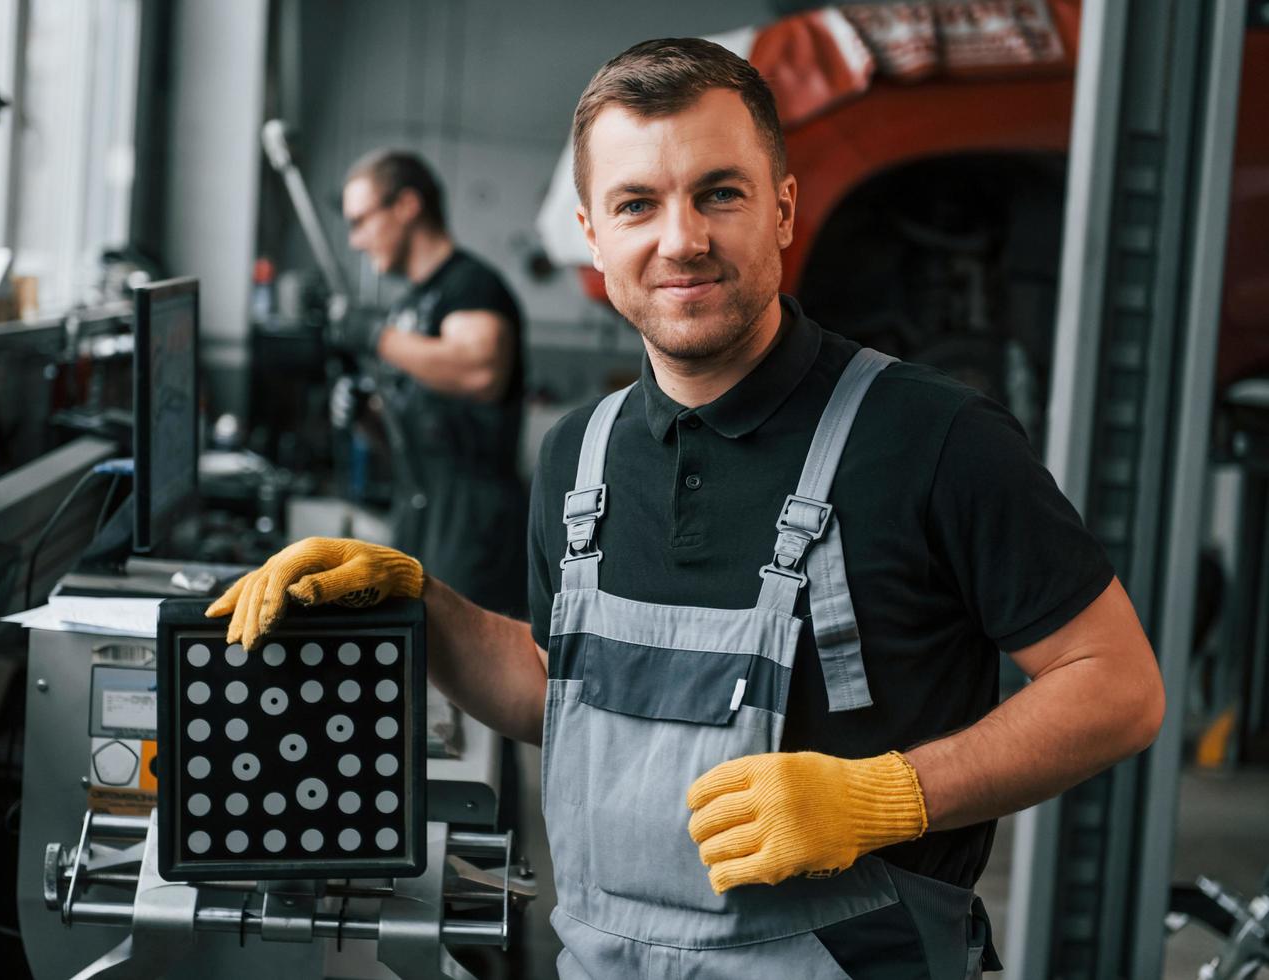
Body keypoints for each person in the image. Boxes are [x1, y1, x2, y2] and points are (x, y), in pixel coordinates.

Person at [210, 38, 1164, 977]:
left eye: (720, 192)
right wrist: (424, 609)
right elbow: (564, 693)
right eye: (637, 204)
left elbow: (1118, 687)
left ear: (782, 208)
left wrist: (888, 796)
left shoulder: (933, 437)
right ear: (593, 234)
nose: (682, 239)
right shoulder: (576, 457)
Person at [335, 149, 527, 617]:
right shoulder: (410, 305)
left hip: (472, 531)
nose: (356, 240)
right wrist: (366, 418)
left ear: (406, 205)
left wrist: (375, 336)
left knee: (462, 685)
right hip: (417, 519)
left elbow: (478, 372)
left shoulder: (470, 287)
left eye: (361, 221)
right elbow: (420, 437)